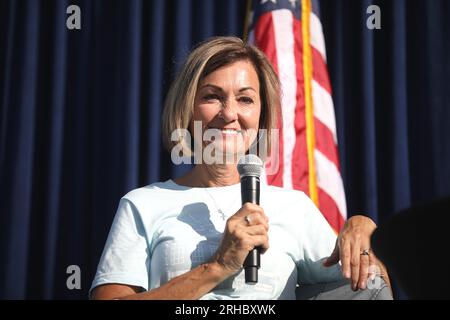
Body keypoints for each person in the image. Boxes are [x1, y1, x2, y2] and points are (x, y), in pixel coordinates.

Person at [90, 36, 391, 300]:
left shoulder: (294, 206)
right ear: (187, 106)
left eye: (245, 99)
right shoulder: (142, 204)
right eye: (212, 96)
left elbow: (373, 289)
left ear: (261, 115)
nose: (229, 113)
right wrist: (218, 266)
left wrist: (362, 227)